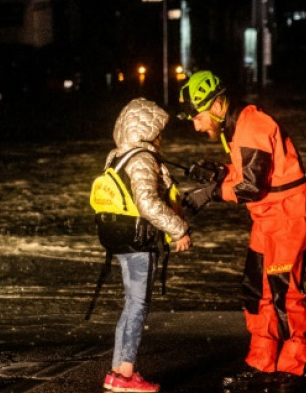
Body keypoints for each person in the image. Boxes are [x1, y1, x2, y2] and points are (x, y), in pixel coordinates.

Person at [178, 71, 306, 387]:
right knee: (255, 291)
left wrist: (213, 192)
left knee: (285, 292)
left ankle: (295, 365)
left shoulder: (250, 123)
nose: (196, 125)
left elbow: (251, 186)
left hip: (289, 216)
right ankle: (263, 360)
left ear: (216, 104)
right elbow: (251, 170)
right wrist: (221, 171)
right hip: (269, 217)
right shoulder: (234, 125)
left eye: (197, 116)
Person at [100, 98, 192, 393]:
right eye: (157, 130)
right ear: (146, 130)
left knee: (130, 305)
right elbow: (148, 204)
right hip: (139, 242)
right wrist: (179, 230)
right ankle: (125, 374)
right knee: (137, 306)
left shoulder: (117, 156)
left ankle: (117, 371)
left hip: (121, 239)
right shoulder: (143, 159)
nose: (160, 136)